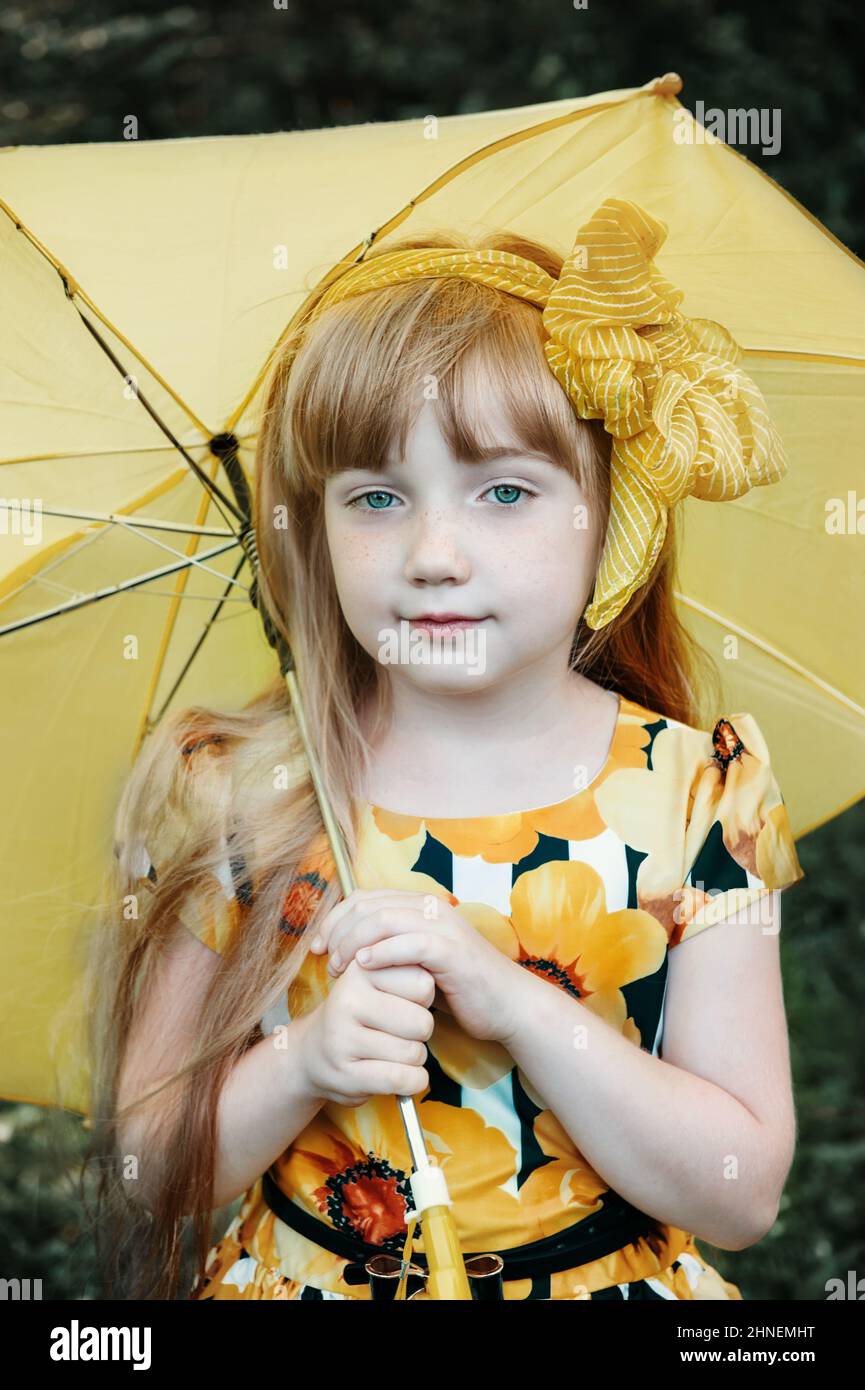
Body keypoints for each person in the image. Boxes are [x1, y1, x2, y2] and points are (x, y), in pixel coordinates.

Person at [88, 200, 806, 1301]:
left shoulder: (698, 792)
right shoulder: (236, 792)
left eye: (504, 491)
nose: (433, 554)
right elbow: (151, 1170)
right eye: (376, 498)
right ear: (317, 528)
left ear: (610, 512)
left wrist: (515, 1004)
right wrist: (304, 1062)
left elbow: (739, 1194)